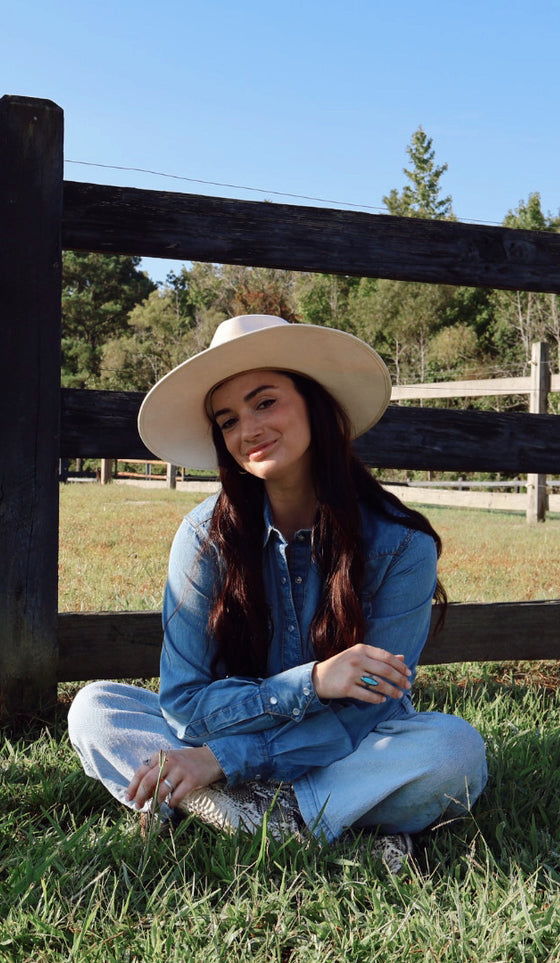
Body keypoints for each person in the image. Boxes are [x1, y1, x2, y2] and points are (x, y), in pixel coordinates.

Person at [67, 314, 487, 871]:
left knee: (453, 751)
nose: (248, 429)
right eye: (228, 419)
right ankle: (325, 834)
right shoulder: (203, 538)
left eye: (265, 402)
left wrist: (220, 760)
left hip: (349, 750)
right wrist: (312, 681)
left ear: (315, 403)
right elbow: (183, 704)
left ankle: (229, 812)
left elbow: (364, 714)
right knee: (97, 709)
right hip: (227, 735)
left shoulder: (402, 546)